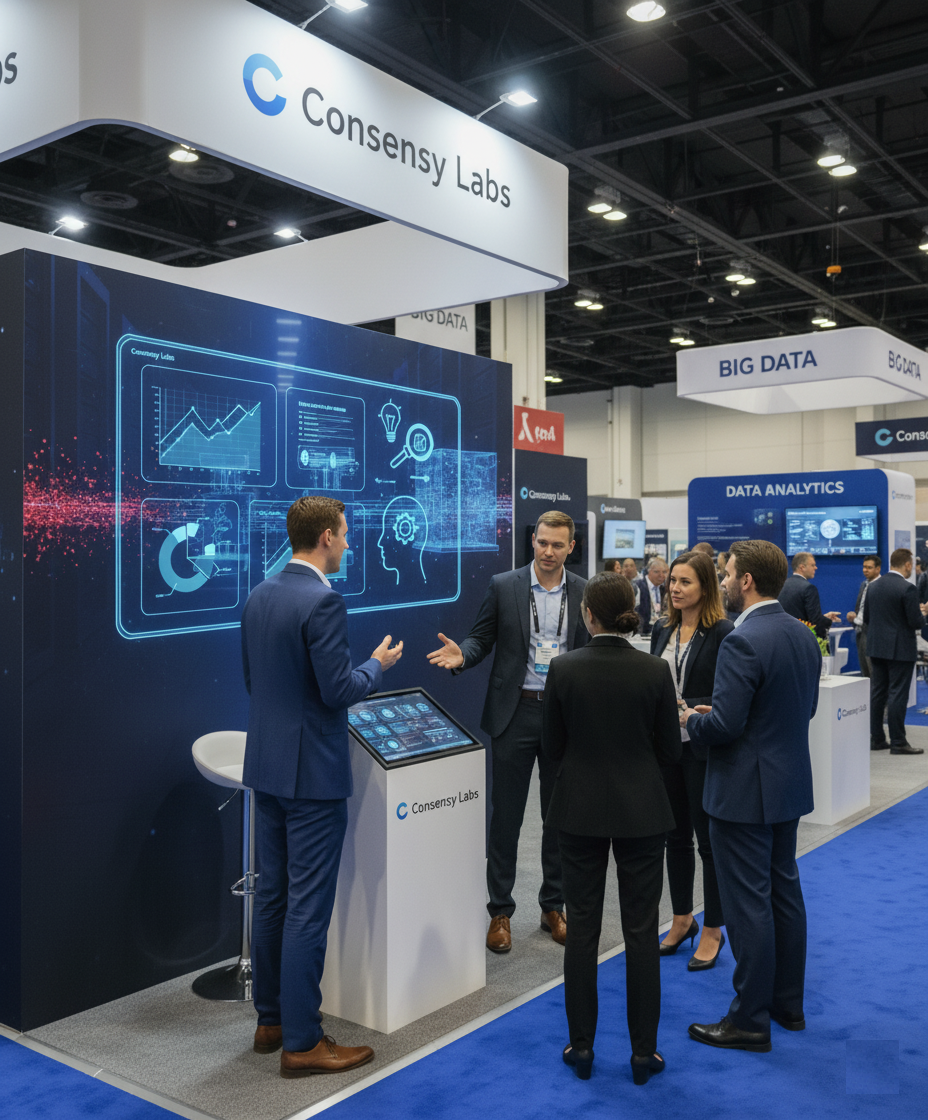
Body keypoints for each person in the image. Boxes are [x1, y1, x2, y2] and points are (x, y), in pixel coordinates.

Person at [242, 496, 403, 1077]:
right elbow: (338, 691)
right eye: (347, 535)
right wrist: (377, 665)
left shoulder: (260, 593)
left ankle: (271, 1022)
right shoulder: (324, 601)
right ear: (329, 537)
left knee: (274, 897)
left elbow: (252, 680)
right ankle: (303, 1043)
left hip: (267, 767)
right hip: (312, 777)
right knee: (308, 909)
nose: (350, 544)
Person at [427, 511, 589, 953]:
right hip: (514, 712)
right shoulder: (505, 586)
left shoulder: (583, 590)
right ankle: (500, 910)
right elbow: (482, 638)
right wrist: (464, 654)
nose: (549, 551)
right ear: (532, 542)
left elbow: (591, 649)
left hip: (563, 716)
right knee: (507, 819)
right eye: (542, 543)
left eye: (558, 544)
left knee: (557, 817)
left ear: (571, 547)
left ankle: (553, 905)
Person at [542, 573, 681, 1084]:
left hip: (576, 812)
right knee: (642, 932)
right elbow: (670, 751)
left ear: (587, 614)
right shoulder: (654, 671)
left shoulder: (563, 668)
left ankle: (581, 1048)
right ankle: (644, 1055)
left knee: (582, 930)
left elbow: (552, 750)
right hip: (643, 812)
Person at [683, 540, 820, 1052]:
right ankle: (788, 1005)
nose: (721, 580)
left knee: (748, 906)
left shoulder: (742, 641)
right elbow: (799, 712)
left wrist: (691, 721)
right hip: (786, 786)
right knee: (784, 894)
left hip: (743, 792)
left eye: (726, 572)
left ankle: (748, 1020)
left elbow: (725, 725)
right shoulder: (801, 635)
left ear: (745, 581)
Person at [650, 552, 734, 970]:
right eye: (673, 582)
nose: (676, 589)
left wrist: (690, 707)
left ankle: (715, 927)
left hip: (703, 748)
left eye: (685, 582)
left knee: (708, 843)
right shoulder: (662, 630)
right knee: (675, 838)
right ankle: (683, 917)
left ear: (706, 587)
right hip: (668, 749)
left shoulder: (722, 632)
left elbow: (729, 697)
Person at [863, 547, 925, 755]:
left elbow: (868, 619)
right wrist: (923, 614)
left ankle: (877, 738)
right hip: (900, 649)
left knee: (878, 693)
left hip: (876, 646)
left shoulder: (873, 586)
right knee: (898, 694)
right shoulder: (907, 588)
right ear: (907, 565)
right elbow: (915, 622)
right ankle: (898, 741)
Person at [778, 552, 840, 639]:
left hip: (783, 638)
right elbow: (815, 622)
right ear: (802, 567)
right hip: (801, 640)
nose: (816, 567)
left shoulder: (781, 585)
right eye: (812, 565)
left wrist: (823, 617)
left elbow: (797, 614)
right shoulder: (809, 588)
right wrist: (828, 621)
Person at [845, 554, 881, 678]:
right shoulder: (864, 585)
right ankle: (868, 697)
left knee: (873, 672)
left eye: (869, 567)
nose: (865, 570)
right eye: (864, 567)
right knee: (865, 672)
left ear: (878, 569)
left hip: (873, 634)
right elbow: (861, 608)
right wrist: (853, 618)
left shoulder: (881, 586)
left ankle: (875, 697)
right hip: (860, 631)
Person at [635, 558, 668, 636]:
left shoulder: (664, 589)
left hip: (658, 631)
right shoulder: (638, 586)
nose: (661, 575)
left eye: (664, 572)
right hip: (641, 632)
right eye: (657, 572)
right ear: (649, 572)